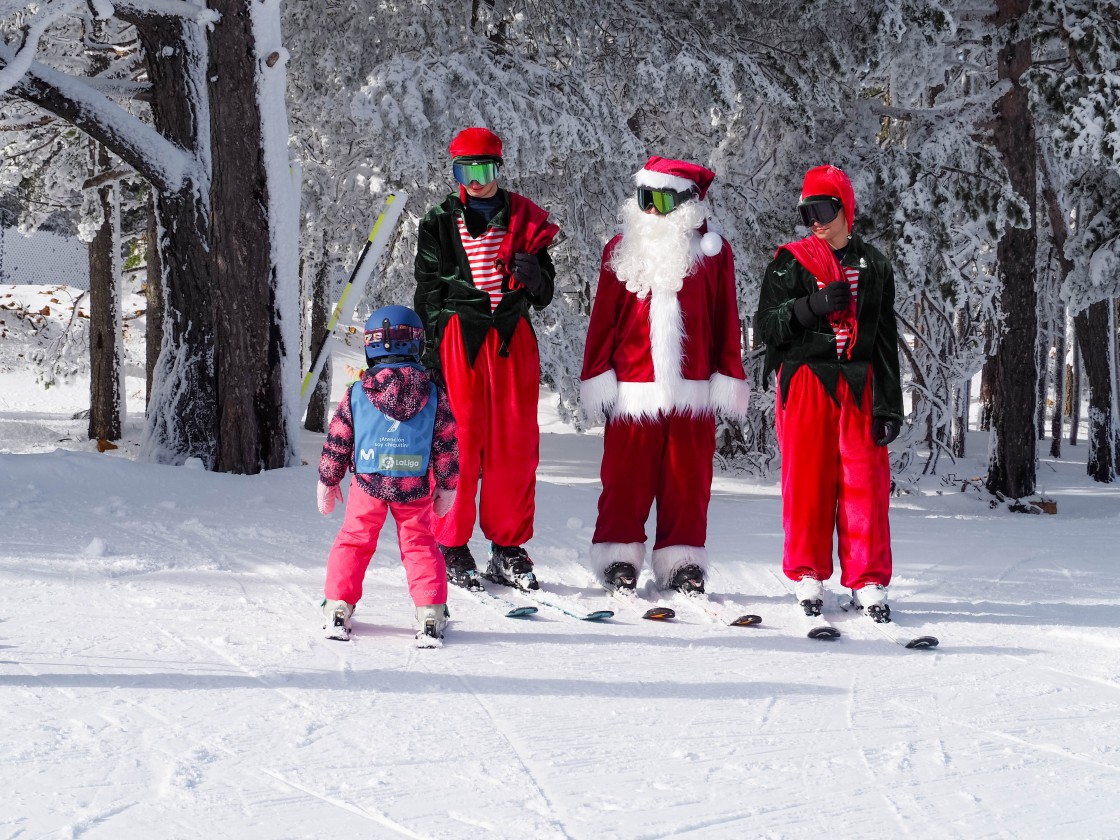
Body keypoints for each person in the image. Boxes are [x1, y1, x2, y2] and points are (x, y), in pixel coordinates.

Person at [580, 156, 750, 595]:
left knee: (688, 483)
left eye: (659, 199)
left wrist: (728, 373)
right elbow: (603, 319)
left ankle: (682, 560)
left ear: (687, 203)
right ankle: (619, 556)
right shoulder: (620, 249)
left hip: (693, 388)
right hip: (632, 388)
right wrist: (597, 372)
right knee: (624, 479)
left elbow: (725, 317)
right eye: (643, 198)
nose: (650, 210)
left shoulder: (715, 253)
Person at [754, 164, 904, 622]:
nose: (814, 222)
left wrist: (888, 407)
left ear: (843, 207)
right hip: (805, 378)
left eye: (821, 209)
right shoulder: (791, 261)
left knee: (866, 484)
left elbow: (882, 338)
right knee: (807, 480)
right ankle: (807, 574)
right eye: (806, 213)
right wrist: (808, 307)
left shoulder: (874, 264)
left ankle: (868, 579)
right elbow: (767, 325)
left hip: (859, 383)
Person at [414, 127, 560, 593]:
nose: (475, 181)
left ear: (498, 168)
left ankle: (508, 548)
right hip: (460, 339)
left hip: (512, 338)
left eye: (483, 169)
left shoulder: (525, 218)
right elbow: (429, 293)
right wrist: (432, 355)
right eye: (465, 170)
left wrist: (536, 278)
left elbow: (545, 296)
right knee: (461, 441)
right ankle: (451, 544)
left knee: (514, 446)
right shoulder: (438, 221)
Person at [317, 305, 460, 646]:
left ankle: (338, 603)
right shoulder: (434, 395)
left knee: (355, 539)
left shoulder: (356, 394)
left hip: (368, 483)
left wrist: (329, 478)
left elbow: (339, 440)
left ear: (371, 346)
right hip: (414, 487)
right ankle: (430, 609)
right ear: (417, 345)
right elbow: (446, 443)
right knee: (420, 543)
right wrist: (446, 485)